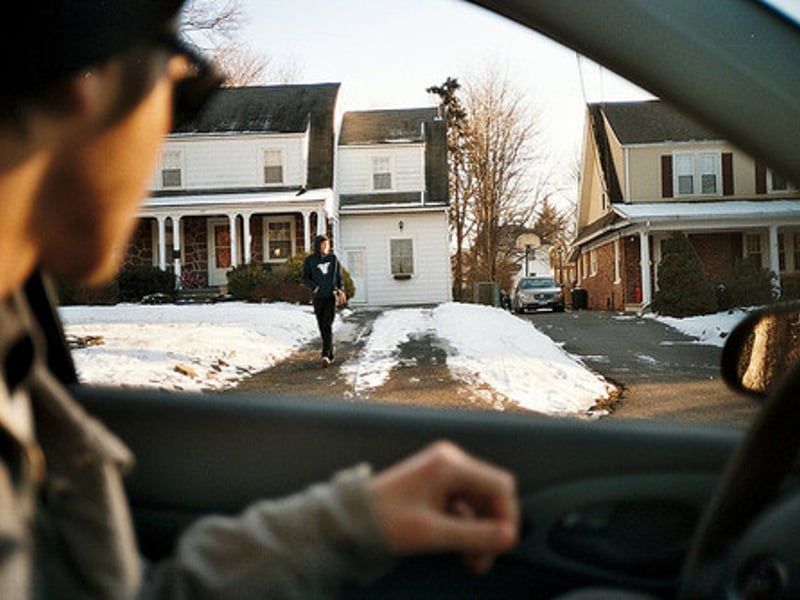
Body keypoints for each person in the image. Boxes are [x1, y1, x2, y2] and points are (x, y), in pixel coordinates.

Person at [0, 2, 519, 598]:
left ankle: (327, 348)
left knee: (327, 331)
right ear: (84, 79)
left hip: (330, 300)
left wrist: (351, 523)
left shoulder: (17, 353)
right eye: (186, 87)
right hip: (318, 299)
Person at [302, 233, 344, 366]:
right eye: (323, 244)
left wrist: (341, 290)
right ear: (318, 245)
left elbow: (338, 276)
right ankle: (329, 353)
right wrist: (314, 287)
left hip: (330, 297)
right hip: (318, 297)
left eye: (327, 244)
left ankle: (325, 354)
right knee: (322, 326)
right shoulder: (310, 260)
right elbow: (305, 277)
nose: (326, 246)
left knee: (327, 324)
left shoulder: (333, 259)